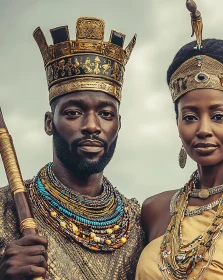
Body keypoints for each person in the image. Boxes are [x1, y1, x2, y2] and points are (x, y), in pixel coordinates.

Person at [136, 1, 223, 279]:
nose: (203, 129)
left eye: (217, 116)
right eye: (190, 117)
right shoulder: (153, 211)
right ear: (177, 123)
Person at [0, 17, 144, 280]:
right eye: (74, 112)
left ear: (118, 124)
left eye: (106, 114)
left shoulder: (138, 223)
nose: (91, 125)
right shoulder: (6, 208)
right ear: (49, 123)